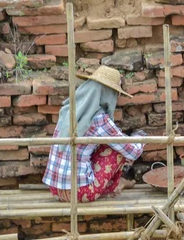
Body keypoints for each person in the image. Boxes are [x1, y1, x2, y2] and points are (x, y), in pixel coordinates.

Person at [43, 66, 147, 203]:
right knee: (118, 149)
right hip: (82, 192)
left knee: (99, 146)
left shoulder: (68, 110)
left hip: (55, 190)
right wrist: (140, 138)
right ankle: (117, 183)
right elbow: (133, 152)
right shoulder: (99, 119)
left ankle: (120, 183)